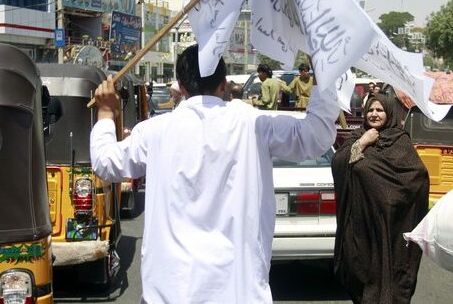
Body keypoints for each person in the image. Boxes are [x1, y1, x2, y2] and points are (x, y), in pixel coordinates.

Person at [90, 45, 340, 303]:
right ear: (223, 84)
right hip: (238, 292)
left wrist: (106, 114)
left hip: (171, 292)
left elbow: (105, 163)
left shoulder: (154, 131)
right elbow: (317, 135)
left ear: (182, 87)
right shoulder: (253, 124)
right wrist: (322, 76)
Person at [331, 94, 429, 304]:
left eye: (379, 110)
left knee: (392, 280)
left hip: (392, 227)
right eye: (370, 110)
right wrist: (362, 143)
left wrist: (393, 200)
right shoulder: (357, 136)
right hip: (360, 227)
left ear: (389, 113)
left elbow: (417, 177)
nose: (374, 114)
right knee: (360, 274)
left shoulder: (400, 141)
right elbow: (338, 162)